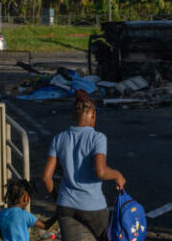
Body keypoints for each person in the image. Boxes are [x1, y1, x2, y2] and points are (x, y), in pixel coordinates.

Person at [42, 90, 126, 240]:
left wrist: (59, 198)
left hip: (66, 208)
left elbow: (46, 178)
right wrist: (117, 175)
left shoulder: (58, 138)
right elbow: (100, 171)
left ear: (73, 116)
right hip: (93, 208)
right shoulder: (97, 138)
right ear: (93, 115)